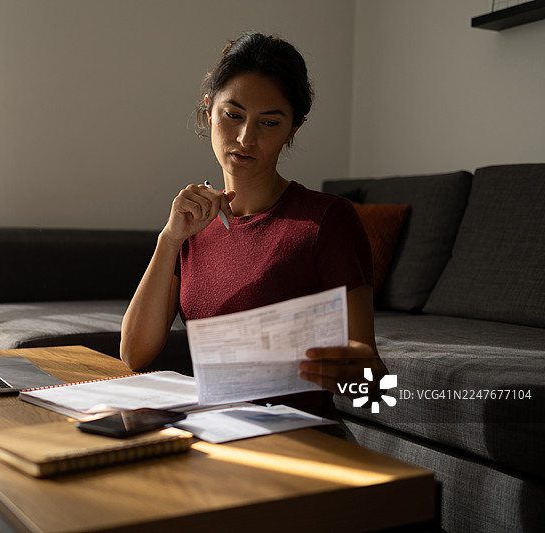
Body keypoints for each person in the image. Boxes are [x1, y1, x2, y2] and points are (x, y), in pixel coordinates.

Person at [120, 33, 386, 418]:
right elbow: (133, 353)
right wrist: (169, 239)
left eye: (270, 122)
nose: (246, 138)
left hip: (299, 439)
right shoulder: (192, 227)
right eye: (233, 115)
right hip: (212, 431)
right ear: (209, 109)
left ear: (293, 129)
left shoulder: (326, 221)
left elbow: (371, 387)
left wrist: (347, 373)